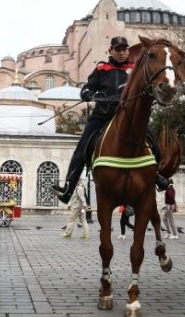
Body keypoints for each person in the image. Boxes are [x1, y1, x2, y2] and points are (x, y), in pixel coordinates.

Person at [51, 36, 168, 204]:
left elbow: (146, 86)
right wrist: (88, 94)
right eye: (117, 50)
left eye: (124, 49)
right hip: (103, 114)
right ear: (110, 51)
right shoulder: (101, 69)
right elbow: (88, 87)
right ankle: (68, 188)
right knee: (82, 147)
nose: (121, 53)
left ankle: (156, 175)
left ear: (128, 51)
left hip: (128, 116)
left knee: (153, 144)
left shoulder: (135, 68)